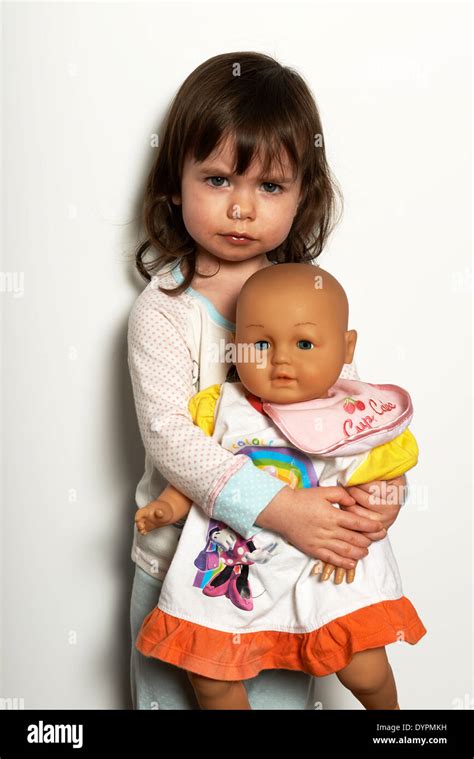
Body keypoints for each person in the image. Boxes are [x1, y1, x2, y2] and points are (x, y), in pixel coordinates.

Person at [128, 51, 407, 710]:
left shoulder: (310, 296)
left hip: (293, 570)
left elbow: (355, 421)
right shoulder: (164, 310)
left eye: (271, 187)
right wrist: (282, 507)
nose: (243, 209)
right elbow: (173, 439)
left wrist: (381, 496)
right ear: (175, 183)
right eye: (219, 179)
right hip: (185, 569)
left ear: (302, 194)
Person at [134, 264, 427, 710]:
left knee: (364, 668)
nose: (281, 359)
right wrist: (168, 508)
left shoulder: (351, 411)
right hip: (237, 568)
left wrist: (385, 502)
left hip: (325, 568)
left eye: (305, 344)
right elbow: (189, 468)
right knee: (210, 677)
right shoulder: (220, 407)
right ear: (235, 348)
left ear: (346, 348)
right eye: (261, 345)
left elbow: (387, 475)